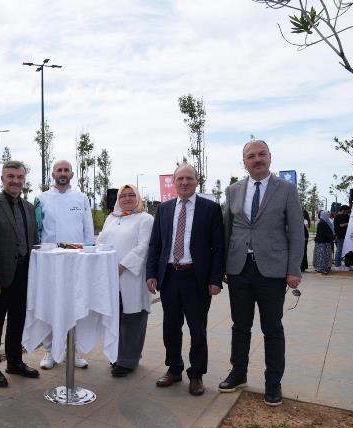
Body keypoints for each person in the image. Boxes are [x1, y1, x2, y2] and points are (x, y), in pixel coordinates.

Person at [219, 139, 304, 407]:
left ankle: (273, 383)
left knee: (272, 328)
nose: (257, 159)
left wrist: (294, 270)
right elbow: (226, 230)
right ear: (244, 162)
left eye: (261, 154)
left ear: (270, 157)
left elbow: (297, 232)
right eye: (251, 156)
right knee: (240, 326)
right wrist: (222, 266)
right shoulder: (233, 191)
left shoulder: (286, 189)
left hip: (273, 272)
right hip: (239, 270)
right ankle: (238, 373)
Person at [146, 163, 224, 396]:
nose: (184, 182)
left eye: (189, 178)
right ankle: (174, 368)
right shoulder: (164, 209)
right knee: (171, 326)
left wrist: (215, 279)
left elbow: (219, 247)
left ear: (196, 181)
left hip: (196, 278)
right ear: (174, 182)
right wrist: (151, 273)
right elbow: (155, 244)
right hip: (170, 276)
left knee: (197, 328)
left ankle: (196, 374)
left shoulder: (210, 209)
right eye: (180, 178)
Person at [0, 161, 40, 387]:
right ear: (2, 179)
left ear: (24, 179)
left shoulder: (29, 208)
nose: (15, 181)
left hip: (25, 273)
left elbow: (34, 241)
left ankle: (15, 362)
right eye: (11, 176)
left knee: (18, 320)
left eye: (19, 177)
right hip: (1, 276)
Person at [34, 160, 94, 369]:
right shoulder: (42, 198)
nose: (62, 173)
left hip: (76, 261)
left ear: (72, 174)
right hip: (50, 262)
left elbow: (88, 230)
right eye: (59, 170)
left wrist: (89, 255)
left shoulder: (81, 198)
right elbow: (37, 230)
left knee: (75, 306)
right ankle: (50, 351)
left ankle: (73, 351)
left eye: (66, 170)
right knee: (51, 305)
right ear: (53, 174)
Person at [96, 184, 153, 377]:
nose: (127, 198)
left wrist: (122, 266)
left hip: (131, 276)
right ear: (118, 199)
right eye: (123, 195)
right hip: (109, 276)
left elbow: (143, 247)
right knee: (115, 318)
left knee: (133, 318)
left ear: (138, 198)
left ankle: (128, 361)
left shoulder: (145, 219)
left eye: (131, 195)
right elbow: (101, 242)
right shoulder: (111, 218)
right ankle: (117, 356)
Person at [313, 210, 335, 274]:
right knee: (322, 256)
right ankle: (321, 268)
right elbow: (323, 233)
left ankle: (322, 268)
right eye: (327, 215)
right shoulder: (321, 223)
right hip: (322, 243)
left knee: (324, 255)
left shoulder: (325, 222)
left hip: (325, 242)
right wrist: (332, 237)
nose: (328, 216)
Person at [334, 205, 350, 269]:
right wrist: (347, 224)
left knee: (343, 250)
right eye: (347, 211)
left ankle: (340, 263)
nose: (347, 213)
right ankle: (337, 265)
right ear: (343, 210)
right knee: (339, 250)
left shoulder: (345, 216)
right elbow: (340, 225)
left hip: (345, 235)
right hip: (340, 235)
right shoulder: (337, 216)